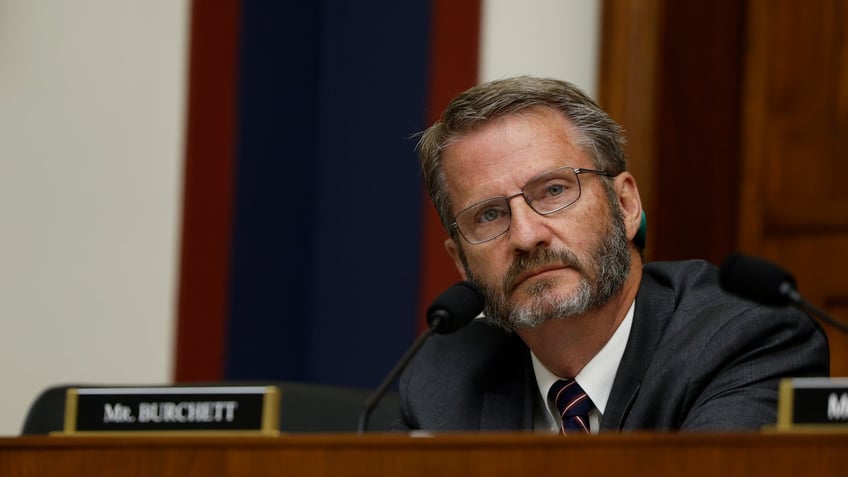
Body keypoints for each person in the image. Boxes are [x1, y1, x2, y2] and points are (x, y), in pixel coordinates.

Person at [396, 76, 829, 433]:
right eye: (489, 215)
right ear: (460, 261)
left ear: (624, 205)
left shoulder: (743, 339)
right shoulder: (443, 373)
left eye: (553, 191)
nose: (526, 236)